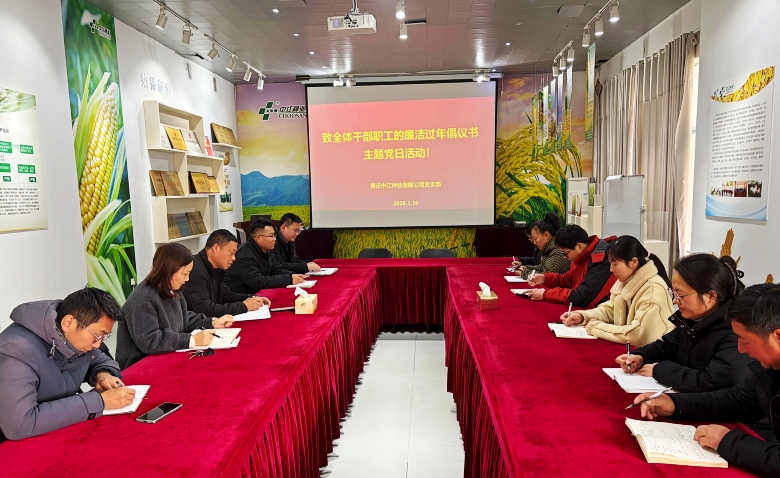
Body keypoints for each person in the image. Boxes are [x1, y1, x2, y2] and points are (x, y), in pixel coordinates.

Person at [634, 283, 780, 477]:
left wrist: (728, 442)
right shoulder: (769, 368)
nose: (741, 349)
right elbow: (737, 400)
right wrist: (676, 404)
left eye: (745, 340)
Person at [0, 288, 136, 441]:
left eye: (104, 337)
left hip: (57, 432)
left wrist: (103, 375)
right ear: (68, 322)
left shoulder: (74, 340)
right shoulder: (16, 351)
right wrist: (100, 402)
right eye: (97, 335)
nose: (98, 345)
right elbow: (20, 425)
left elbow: (101, 359)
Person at [616, 254, 753, 392]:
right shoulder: (693, 319)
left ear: (711, 296)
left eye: (680, 295)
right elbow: (667, 346)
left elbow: (712, 382)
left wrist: (660, 370)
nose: (675, 301)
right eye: (673, 293)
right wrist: (641, 357)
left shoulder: (735, 332)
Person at [117, 243, 234, 370]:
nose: (187, 279)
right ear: (169, 270)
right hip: (141, 368)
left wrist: (212, 322)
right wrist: (191, 340)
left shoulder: (171, 289)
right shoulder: (143, 299)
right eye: (185, 273)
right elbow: (150, 341)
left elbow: (183, 318)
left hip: (166, 358)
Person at [561, 235, 674, 346]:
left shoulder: (653, 290)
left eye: (614, 264)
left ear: (633, 262)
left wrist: (596, 327)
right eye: (610, 263)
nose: (611, 269)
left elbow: (637, 334)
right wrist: (583, 316)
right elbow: (611, 310)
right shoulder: (627, 279)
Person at [182, 229, 271, 316]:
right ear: (216, 248)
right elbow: (205, 309)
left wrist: (252, 298)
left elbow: (227, 296)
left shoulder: (216, 268)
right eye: (231, 253)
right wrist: (244, 306)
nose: (233, 258)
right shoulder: (195, 269)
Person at [525, 225, 617, 307]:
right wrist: (544, 278)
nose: (564, 257)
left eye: (565, 253)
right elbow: (567, 279)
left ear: (579, 246)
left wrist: (546, 294)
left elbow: (583, 297)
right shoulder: (581, 256)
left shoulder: (602, 260)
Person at [224, 217, 307, 294]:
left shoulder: (267, 250)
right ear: (258, 238)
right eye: (271, 236)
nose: (275, 239)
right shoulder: (245, 256)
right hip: (240, 297)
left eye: (274, 235)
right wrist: (289, 279)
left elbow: (276, 269)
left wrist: (292, 275)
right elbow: (259, 282)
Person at [517, 212, 570, 279]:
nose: (534, 243)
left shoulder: (557, 252)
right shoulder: (549, 249)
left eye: (535, 239)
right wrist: (525, 268)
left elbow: (548, 277)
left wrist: (525, 273)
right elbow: (542, 267)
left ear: (546, 235)